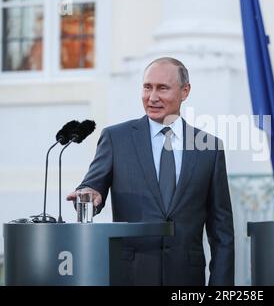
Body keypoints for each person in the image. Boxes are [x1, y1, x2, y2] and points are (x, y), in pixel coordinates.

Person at [67, 57, 234, 286]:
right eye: (147, 87)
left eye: (162, 88)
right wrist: (87, 196)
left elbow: (222, 232)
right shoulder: (116, 139)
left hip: (186, 279)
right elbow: (90, 189)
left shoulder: (209, 148)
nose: (152, 97)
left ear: (185, 91)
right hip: (131, 275)